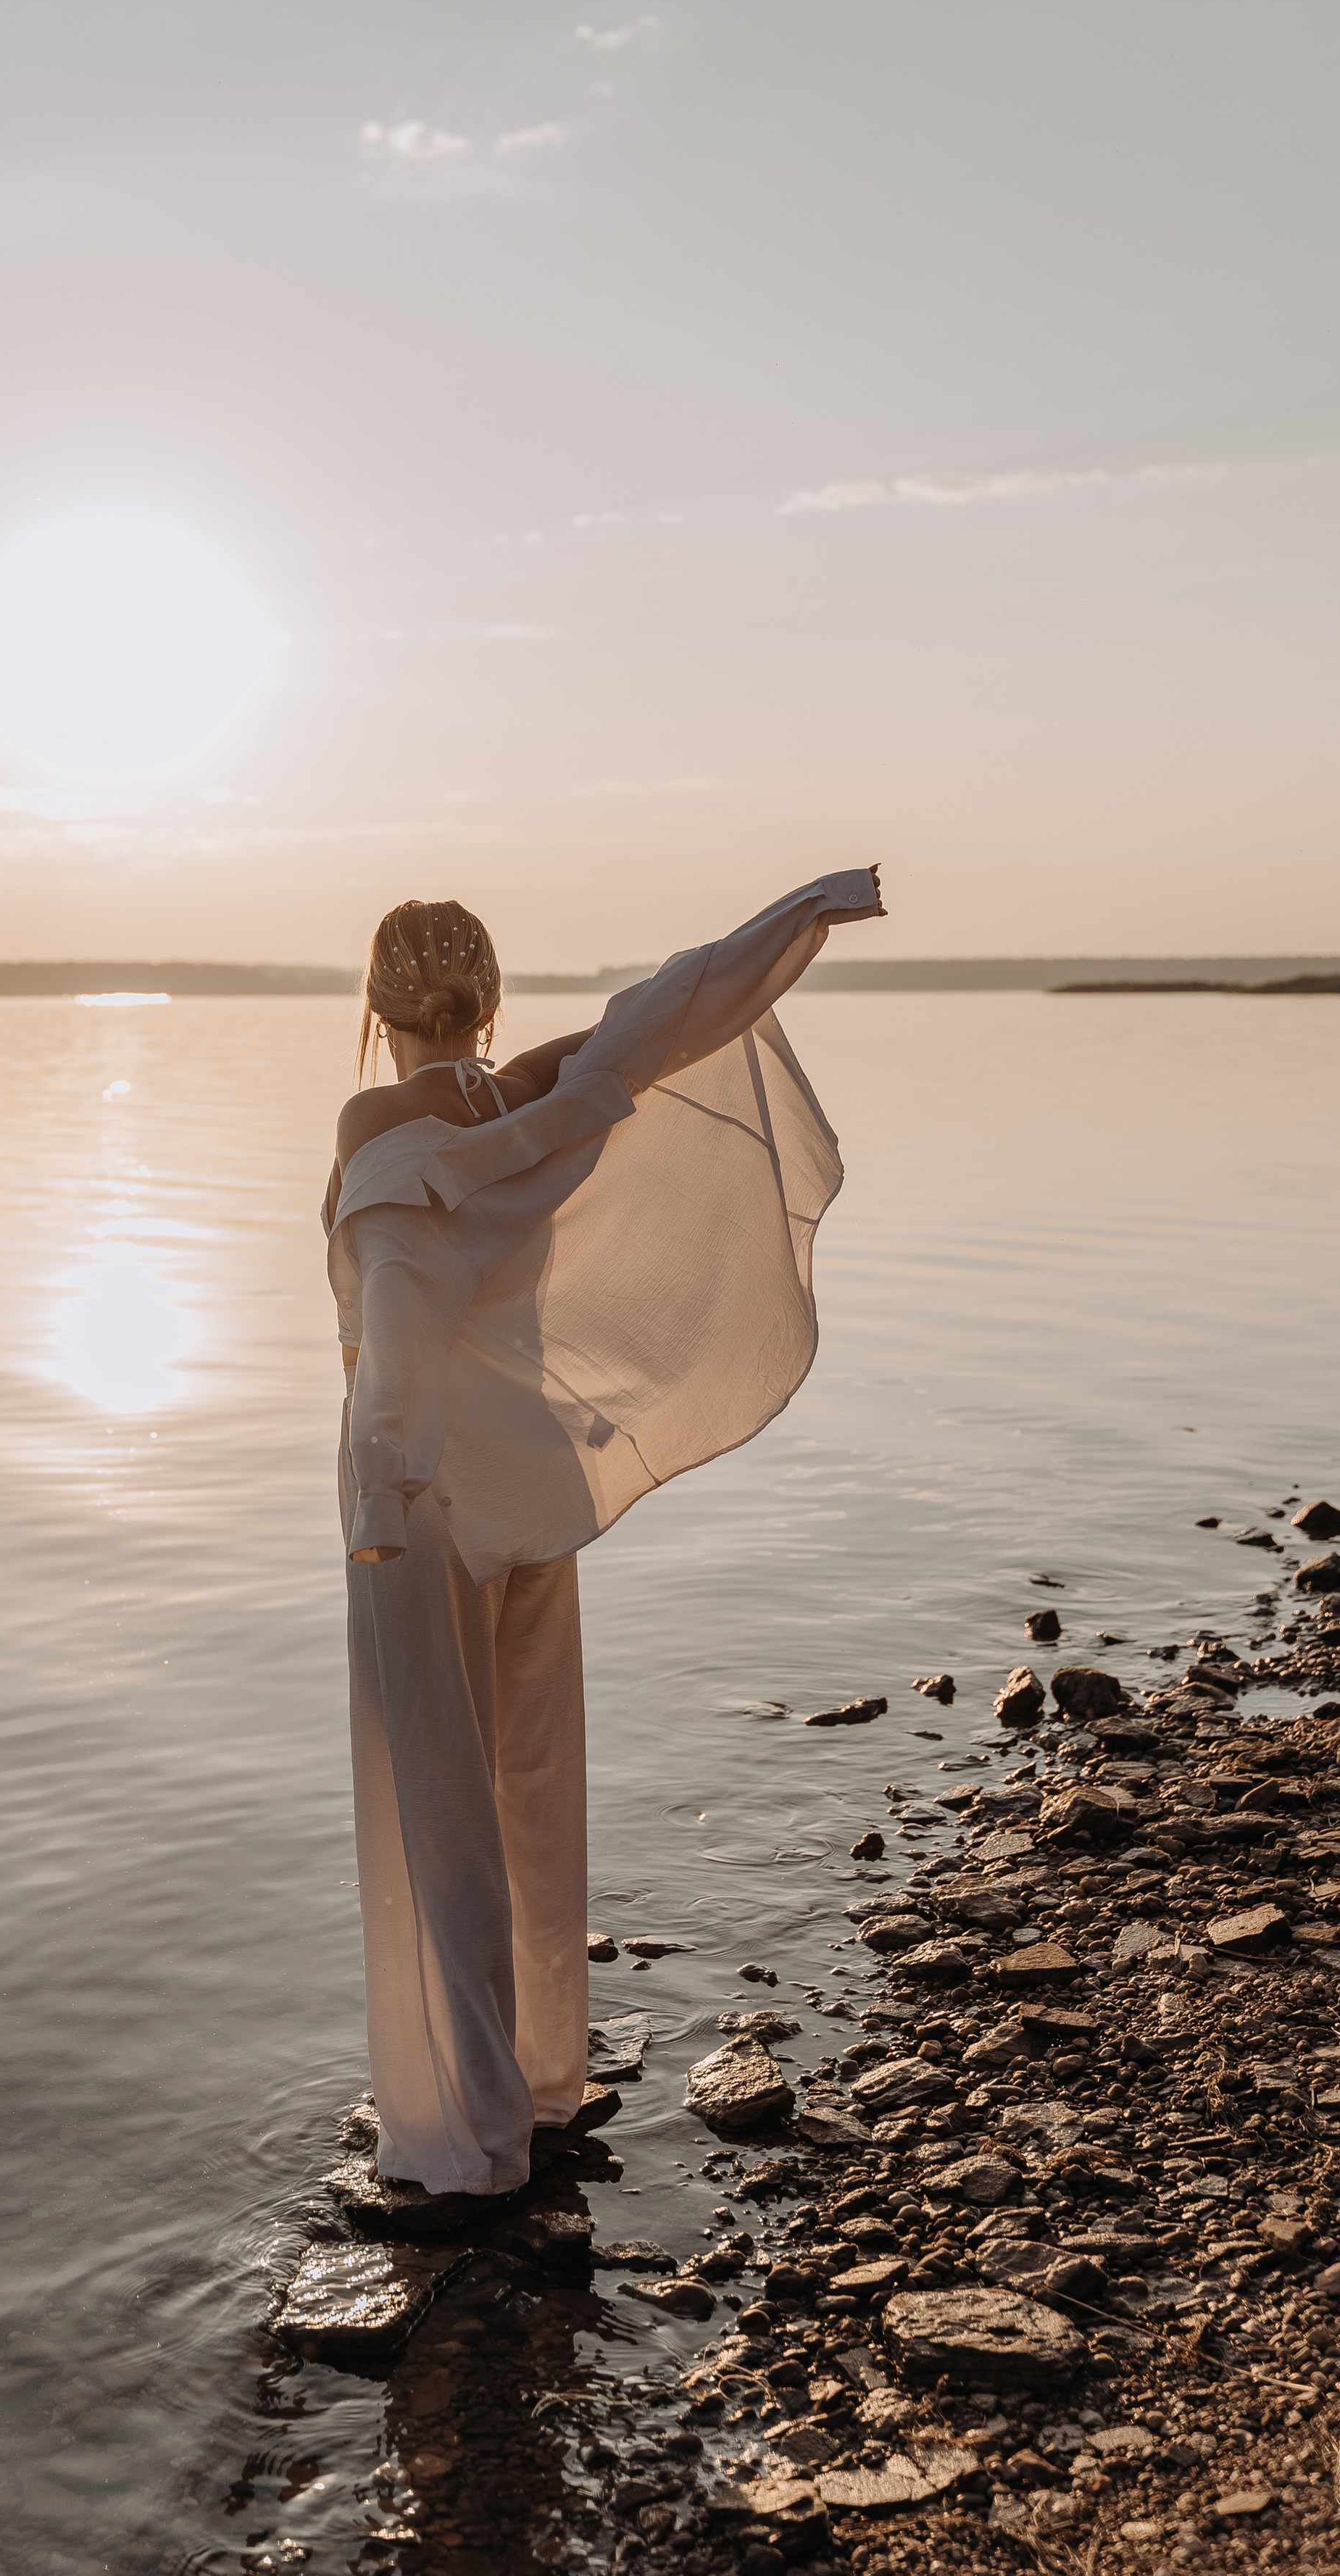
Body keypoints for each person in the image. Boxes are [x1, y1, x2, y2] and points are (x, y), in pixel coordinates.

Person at [322, 870, 886, 2198]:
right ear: (490, 998)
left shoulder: (374, 1118)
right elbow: (667, 1013)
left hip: (414, 1500)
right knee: (528, 1776)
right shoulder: (534, 1093)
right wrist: (798, 918)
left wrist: (386, 1485)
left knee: (437, 1804)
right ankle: (540, 2072)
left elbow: (397, 1292)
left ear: (377, 1004)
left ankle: (467, 2137)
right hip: (528, 1485)